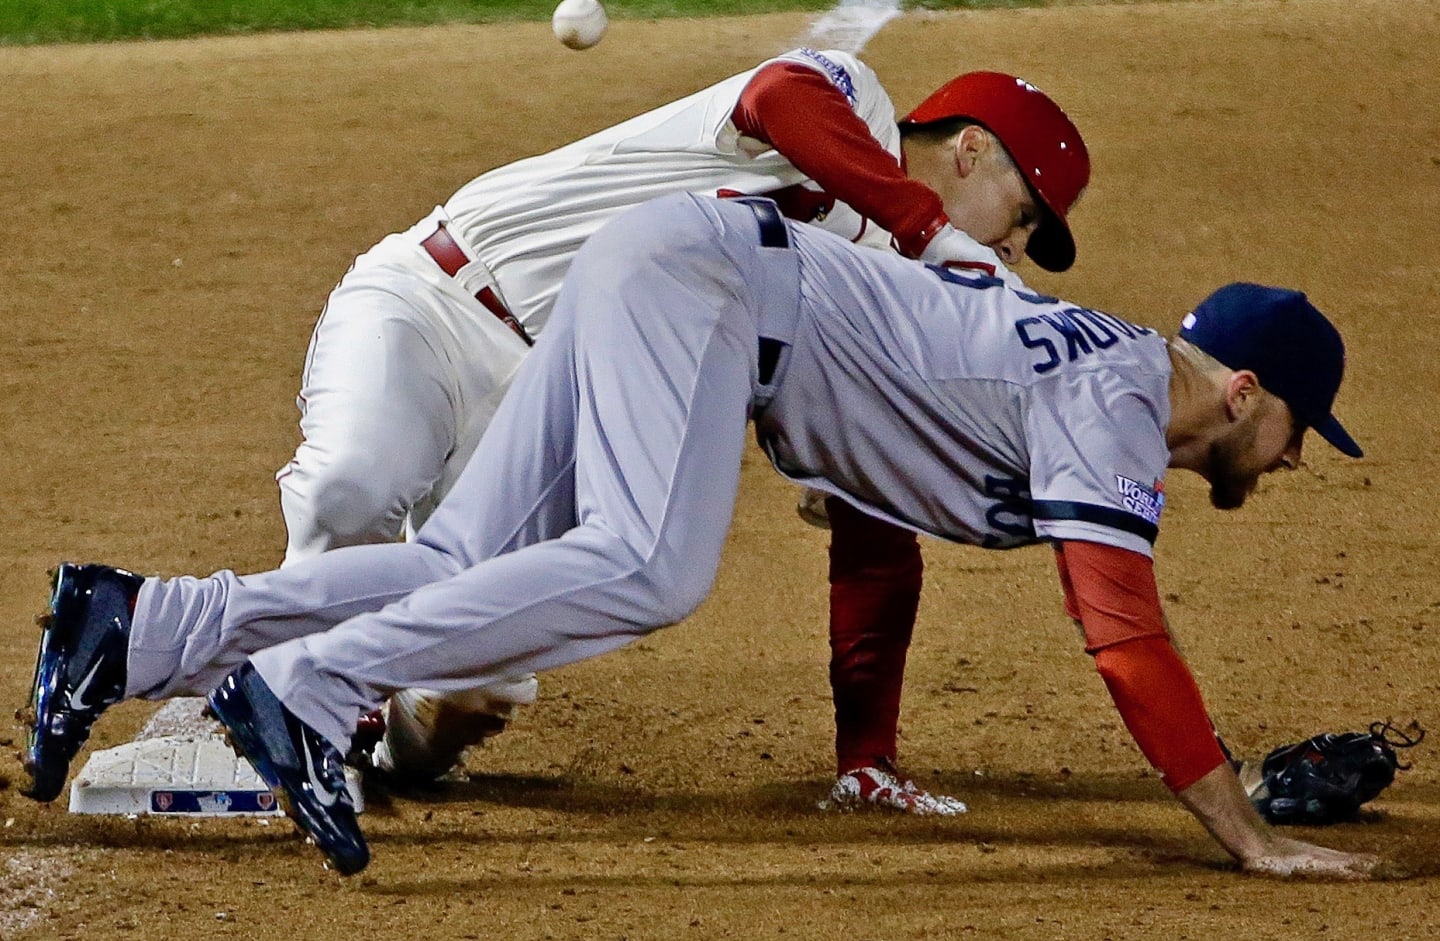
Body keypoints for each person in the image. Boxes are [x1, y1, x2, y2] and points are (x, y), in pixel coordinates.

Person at [21, 192, 1376, 881]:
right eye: (1299, 427)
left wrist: (868, 749)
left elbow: (889, 488)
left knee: (463, 567)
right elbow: (1121, 630)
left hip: (684, 267)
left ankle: (142, 626)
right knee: (645, 565)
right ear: (1245, 393)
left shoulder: (1088, 363)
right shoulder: (1120, 400)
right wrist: (1239, 830)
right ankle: (309, 690)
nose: (1297, 457)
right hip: (711, 284)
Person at [272, 46, 1091, 809]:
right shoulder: (851, 103)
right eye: (1021, 218)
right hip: (435, 302)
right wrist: (932, 232)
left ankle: (367, 738)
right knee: (355, 485)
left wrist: (865, 757)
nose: (1012, 248)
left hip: (544, 425)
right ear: (972, 149)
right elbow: (777, 96)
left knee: (478, 684)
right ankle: (274, 690)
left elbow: (871, 527)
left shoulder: (873, 299)